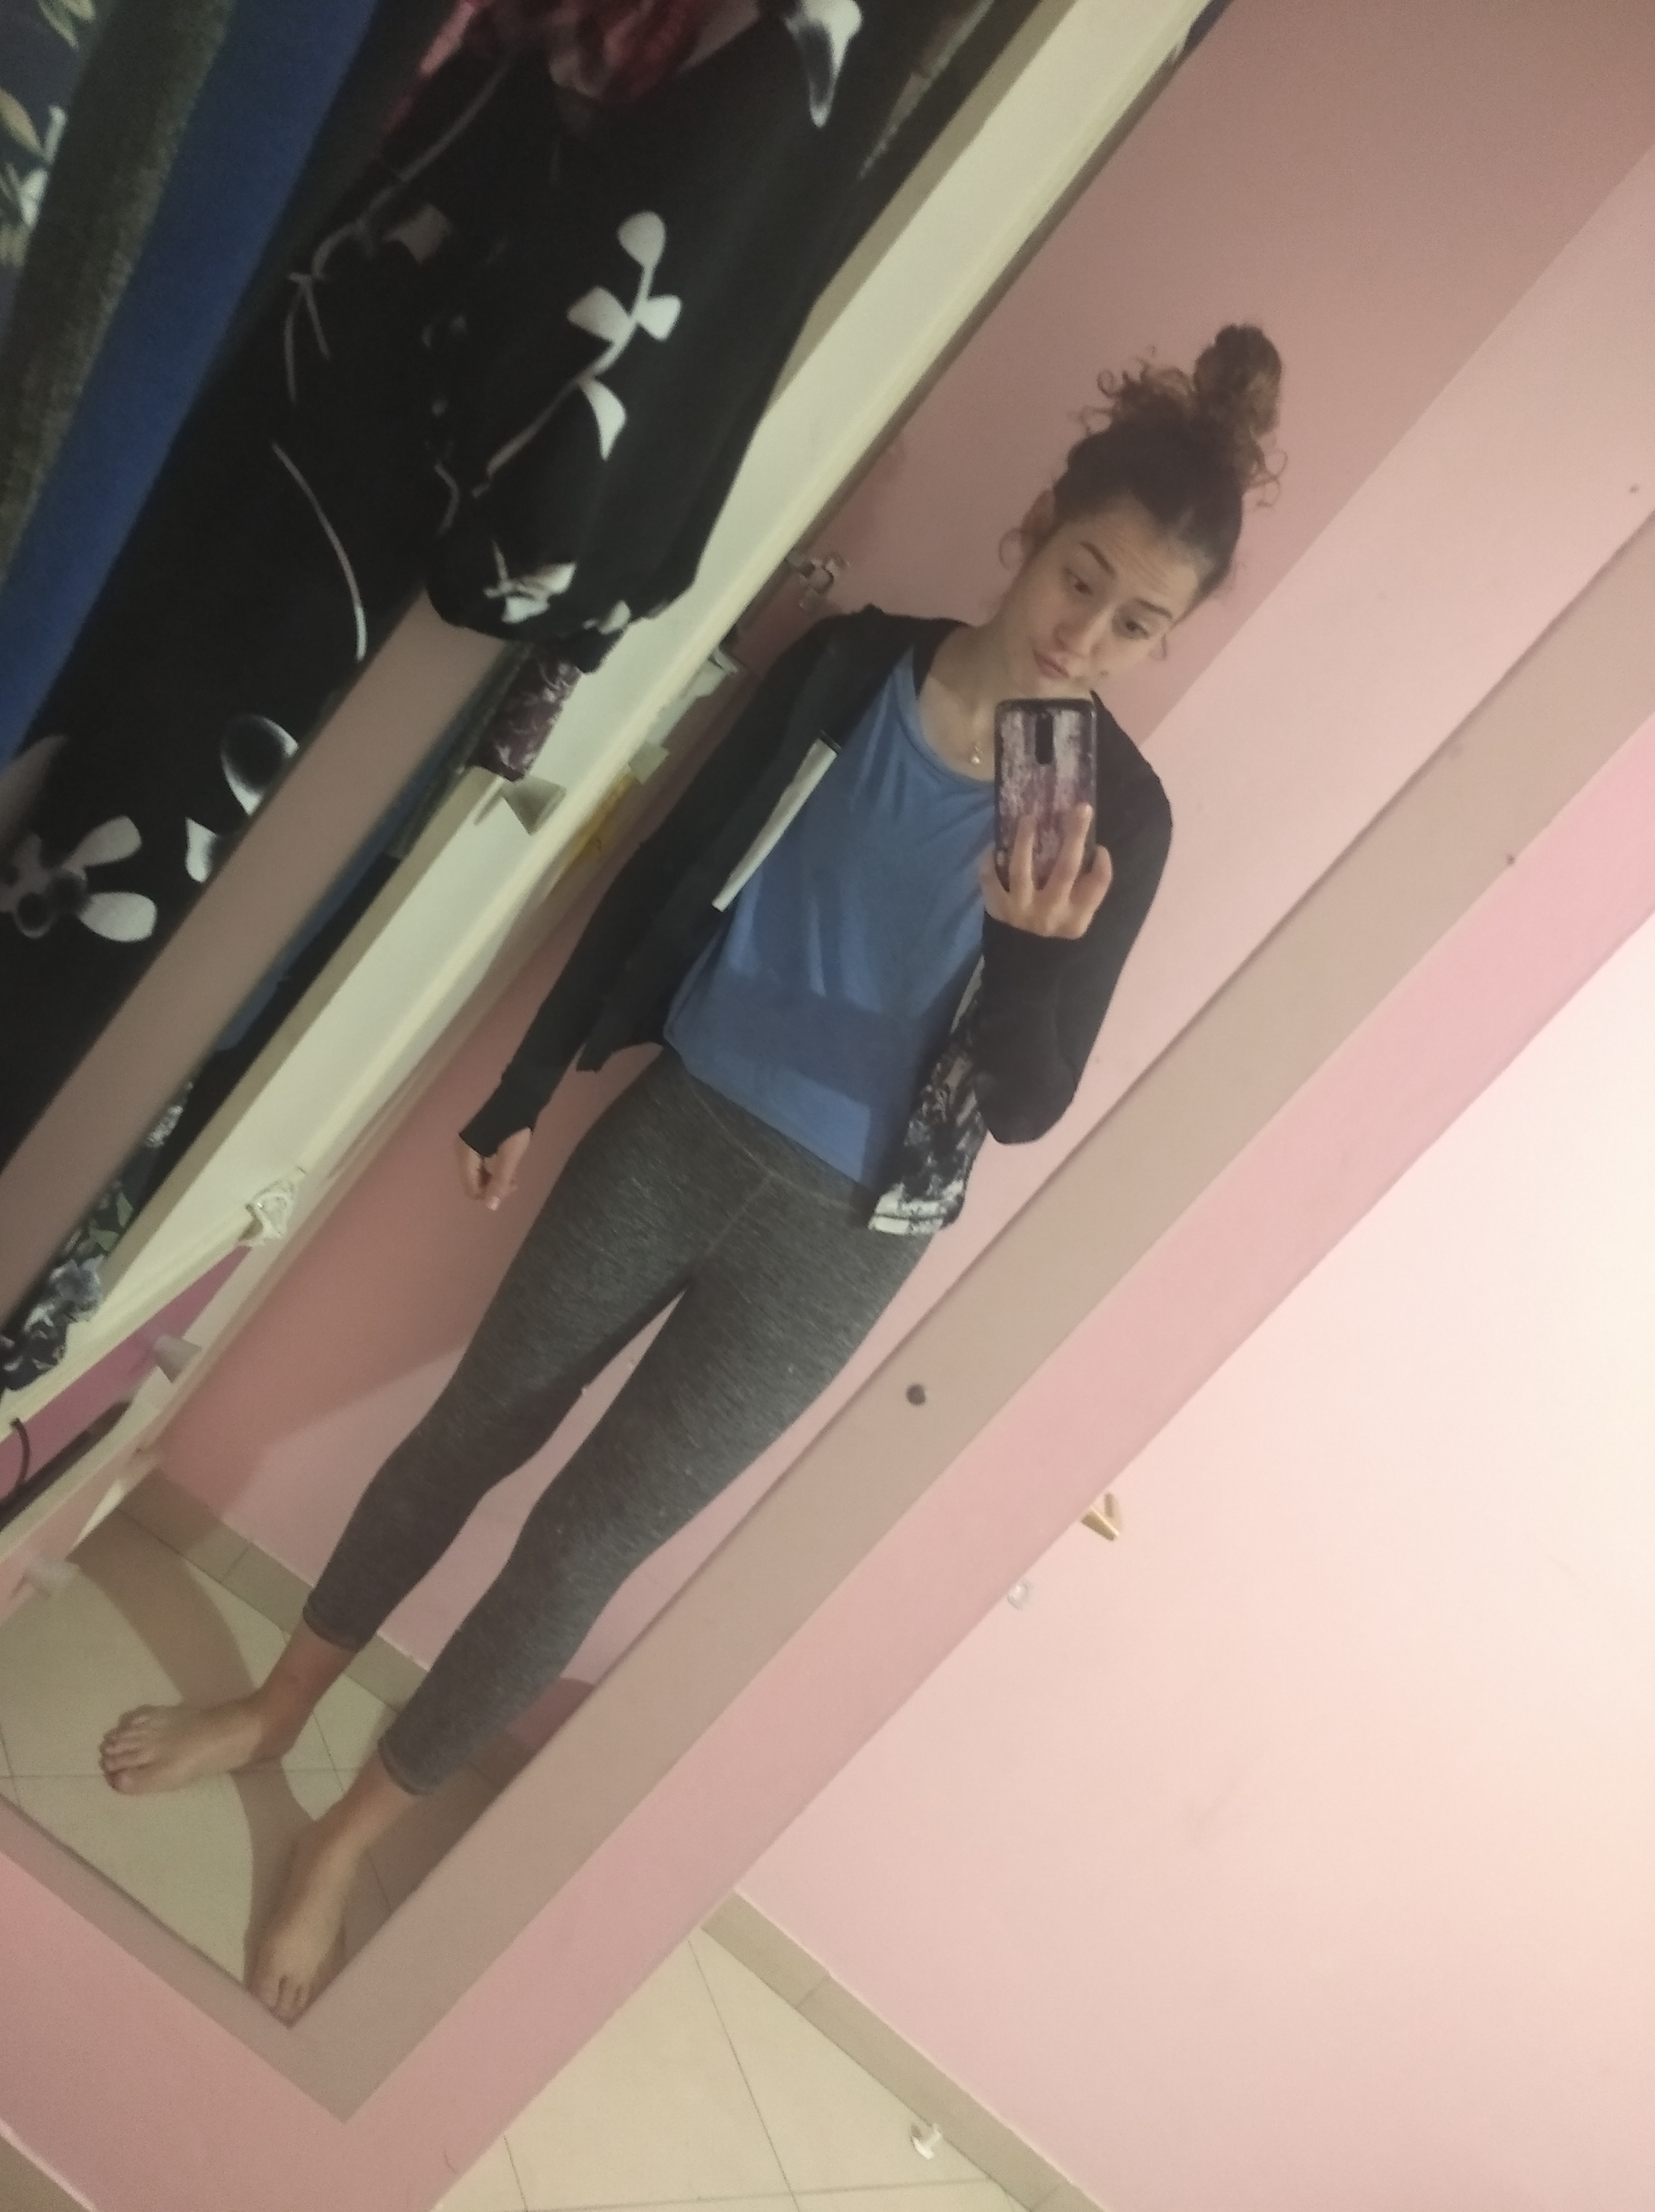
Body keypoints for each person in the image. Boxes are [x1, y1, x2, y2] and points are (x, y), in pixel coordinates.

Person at [98, 324, 1283, 2019]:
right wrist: (529, 1083)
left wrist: (1030, 956)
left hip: (842, 1240)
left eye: (1138, 624)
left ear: (1169, 638)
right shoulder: (853, 671)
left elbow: (1024, 1105)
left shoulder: (1105, 812)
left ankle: (352, 1834)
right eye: (1080, 578)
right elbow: (665, 876)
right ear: (1037, 526)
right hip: (677, 1131)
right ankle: (275, 1708)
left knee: (577, 1551)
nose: (1085, 638)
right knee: (464, 1439)